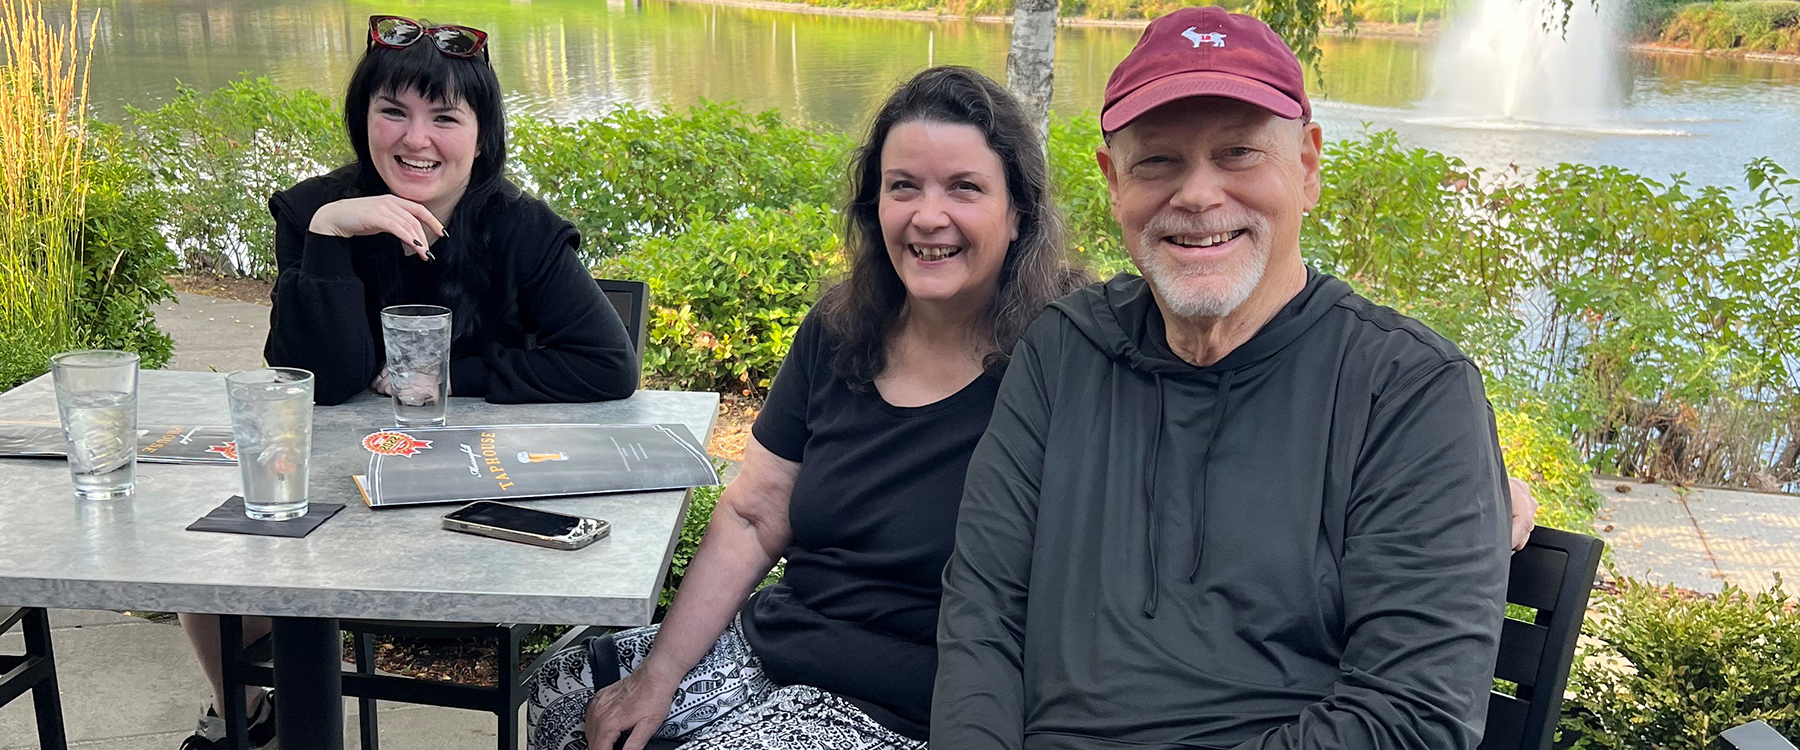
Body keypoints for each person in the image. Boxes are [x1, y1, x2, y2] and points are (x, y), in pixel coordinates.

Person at [933, 8, 1516, 750]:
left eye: (1239, 153)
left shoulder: (1406, 393)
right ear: (1115, 183)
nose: (1199, 195)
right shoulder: (1063, 354)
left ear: (1306, 167)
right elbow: (983, 614)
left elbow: (1410, 717)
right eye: (1158, 162)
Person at [525, 66, 1088, 750]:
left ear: (1017, 211)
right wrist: (661, 673)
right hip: (782, 648)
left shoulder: (1061, 359)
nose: (928, 216)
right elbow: (756, 511)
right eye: (903, 186)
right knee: (565, 687)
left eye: (965, 188)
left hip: (908, 703)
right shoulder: (842, 328)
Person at [177, 16, 637, 749]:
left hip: (482, 500)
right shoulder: (312, 212)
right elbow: (321, 382)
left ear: (481, 135)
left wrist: (442, 374)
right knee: (220, 551)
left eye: (444, 117)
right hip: (345, 484)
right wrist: (330, 235)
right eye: (393, 111)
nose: (415, 139)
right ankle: (245, 711)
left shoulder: (523, 231)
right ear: (365, 120)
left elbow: (608, 365)